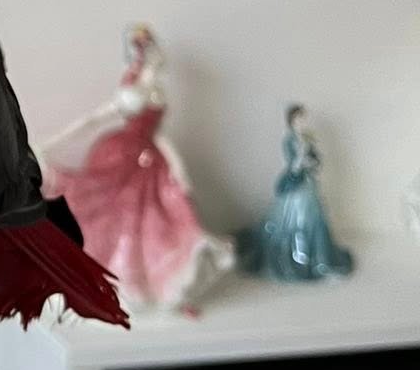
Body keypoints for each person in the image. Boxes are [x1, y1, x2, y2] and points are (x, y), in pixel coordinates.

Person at [43, 24, 234, 312]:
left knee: (163, 216)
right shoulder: (130, 89)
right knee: (110, 214)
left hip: (150, 161)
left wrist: (177, 166)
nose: (150, 54)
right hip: (119, 157)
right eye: (144, 49)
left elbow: (159, 135)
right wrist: (52, 144)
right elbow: (94, 119)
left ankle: (154, 284)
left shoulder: (156, 90)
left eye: (150, 48)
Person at [238, 105, 355, 282]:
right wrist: (302, 159)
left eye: (304, 119)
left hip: (308, 182)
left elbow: (315, 159)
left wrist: (313, 161)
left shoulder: (306, 137)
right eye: (299, 119)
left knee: (313, 217)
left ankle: (316, 257)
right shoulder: (289, 140)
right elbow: (293, 165)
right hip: (295, 182)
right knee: (296, 218)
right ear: (292, 121)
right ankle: (296, 257)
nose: (302, 122)